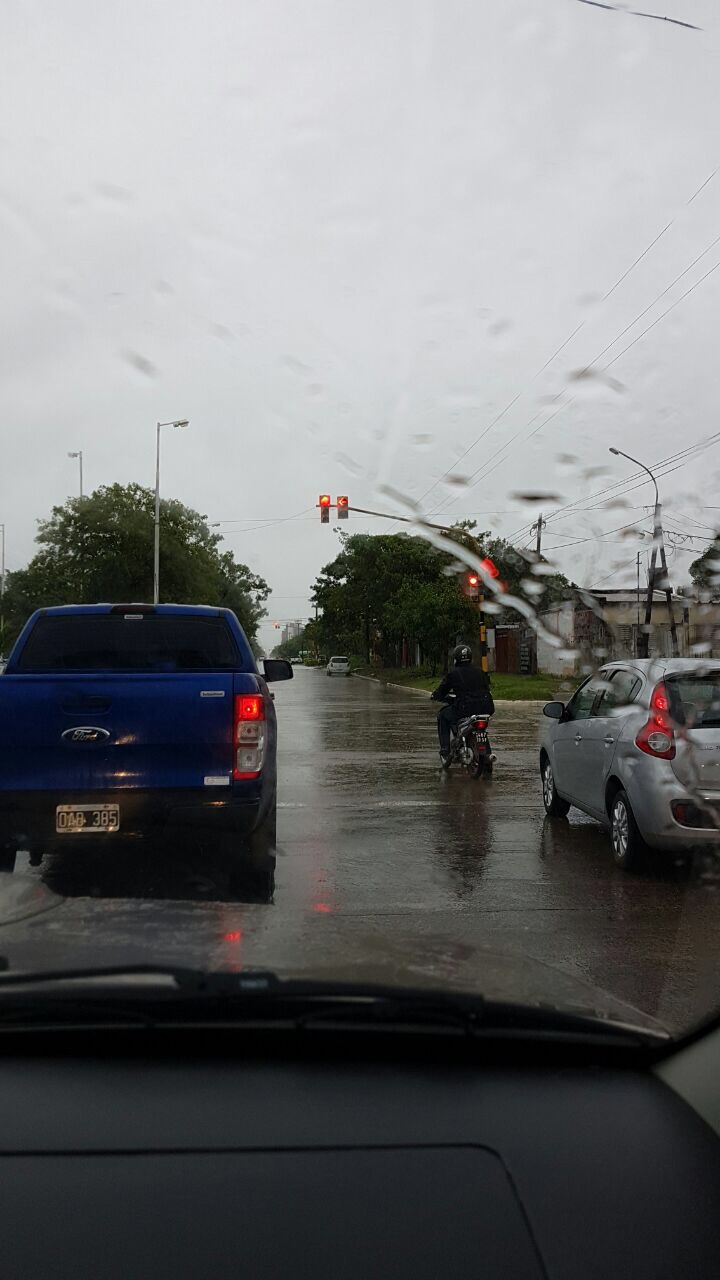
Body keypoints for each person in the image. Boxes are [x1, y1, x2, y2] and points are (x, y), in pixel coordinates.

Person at [430, 644, 495, 763]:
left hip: (466, 708)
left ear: (456, 659)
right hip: (486, 707)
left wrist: (435, 696)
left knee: (443, 715)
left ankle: (445, 750)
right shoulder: (480, 672)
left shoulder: (453, 674)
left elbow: (442, 691)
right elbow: (486, 688)